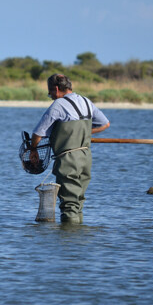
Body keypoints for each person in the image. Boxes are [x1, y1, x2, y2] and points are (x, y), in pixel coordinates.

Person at [30, 74, 110, 224]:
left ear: (56, 88)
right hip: (86, 157)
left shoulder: (58, 105)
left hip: (68, 159)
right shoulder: (86, 101)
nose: (51, 96)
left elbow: (38, 133)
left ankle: (68, 241)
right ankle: (79, 240)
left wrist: (33, 148)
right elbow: (105, 124)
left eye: (50, 93)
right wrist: (83, 132)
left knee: (69, 203)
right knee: (78, 200)